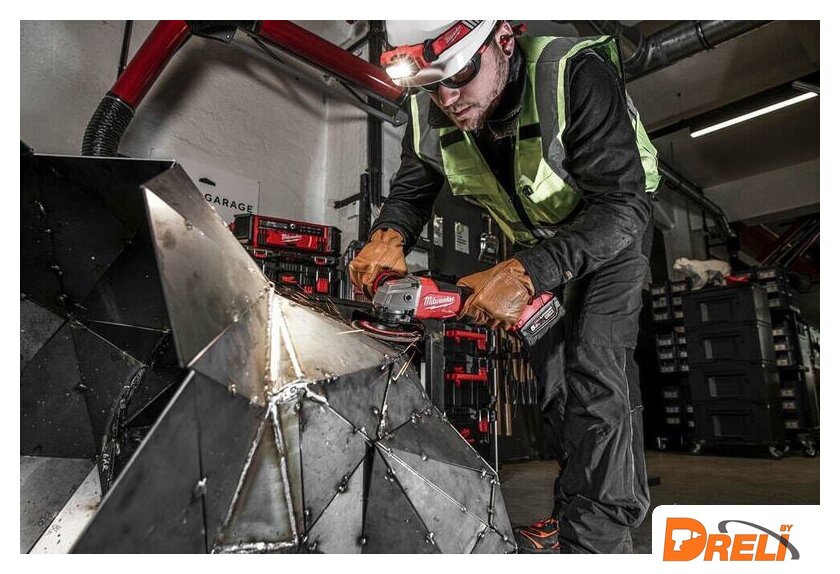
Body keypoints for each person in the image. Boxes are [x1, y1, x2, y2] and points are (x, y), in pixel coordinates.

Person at [348, 20, 661, 554]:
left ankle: (600, 541)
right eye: (431, 86)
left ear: (505, 42)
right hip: (536, 242)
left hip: (611, 230)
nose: (447, 99)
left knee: (596, 368)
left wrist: (525, 273)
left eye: (459, 75)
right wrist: (388, 234)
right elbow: (413, 189)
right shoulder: (432, 105)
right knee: (557, 385)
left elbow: (623, 206)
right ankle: (576, 513)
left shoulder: (574, 73)